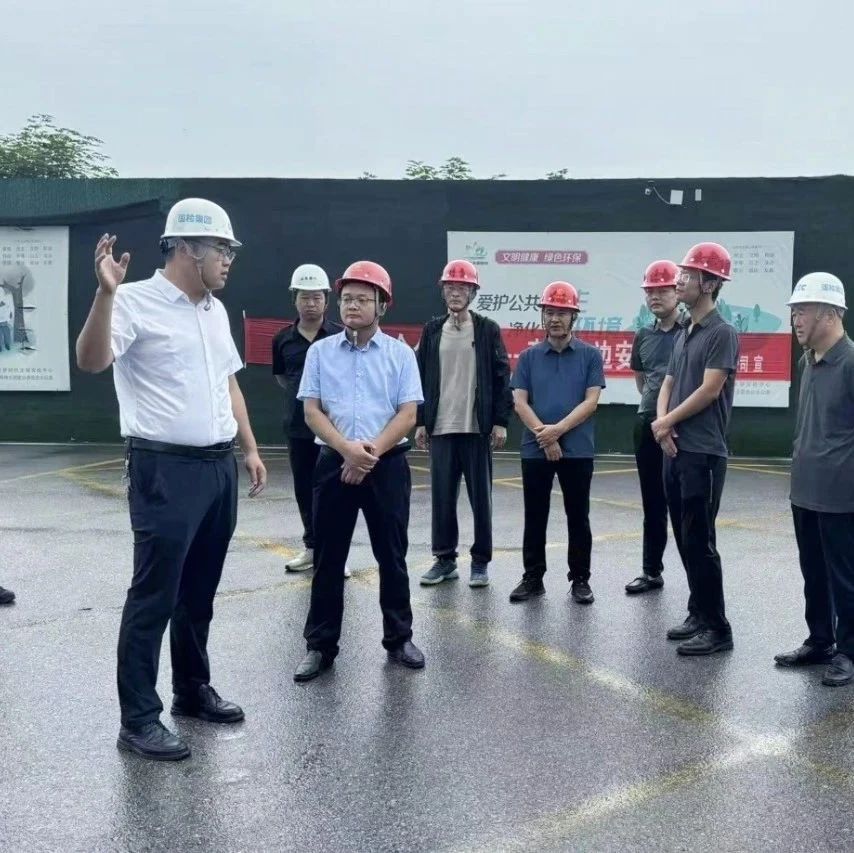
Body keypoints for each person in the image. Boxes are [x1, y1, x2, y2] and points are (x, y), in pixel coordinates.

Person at [75, 198, 267, 761]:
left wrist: (250, 448)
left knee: (199, 590)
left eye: (230, 250)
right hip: (165, 470)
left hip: (217, 467)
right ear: (186, 248)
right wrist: (105, 294)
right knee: (154, 595)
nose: (229, 259)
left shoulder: (214, 310)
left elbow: (229, 383)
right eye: (222, 249)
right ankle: (138, 719)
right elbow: (90, 361)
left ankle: (191, 689)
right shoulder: (132, 301)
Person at [293, 261, 425, 682]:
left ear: (382, 306)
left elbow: (408, 415)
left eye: (363, 299)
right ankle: (320, 645)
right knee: (328, 558)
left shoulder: (400, 354)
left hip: (386, 465)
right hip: (334, 462)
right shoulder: (320, 353)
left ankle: (399, 638)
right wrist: (346, 450)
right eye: (347, 298)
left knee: (392, 555)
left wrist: (368, 454)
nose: (352, 305)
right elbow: (312, 411)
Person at [652, 242, 738, 656]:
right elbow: (668, 382)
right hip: (674, 449)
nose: (679, 280)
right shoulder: (685, 331)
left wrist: (667, 422)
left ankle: (718, 628)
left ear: (709, 283)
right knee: (685, 537)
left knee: (700, 540)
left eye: (688, 275)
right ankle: (697, 612)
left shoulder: (723, 333)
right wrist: (662, 424)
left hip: (703, 452)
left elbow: (710, 389)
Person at [775, 272, 854, 686]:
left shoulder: (851, 363)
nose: (796, 320)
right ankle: (820, 640)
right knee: (814, 573)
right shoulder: (808, 362)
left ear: (831, 313)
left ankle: (849, 652)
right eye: (794, 312)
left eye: (802, 311)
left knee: (845, 578)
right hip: (805, 490)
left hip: (841, 495)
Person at [415, 259, 512, 589]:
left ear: (473, 293)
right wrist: (421, 421)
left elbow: (501, 376)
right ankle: (445, 559)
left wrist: (499, 421)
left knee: (480, 500)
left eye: (462, 288)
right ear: (443, 291)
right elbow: (421, 377)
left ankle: (480, 562)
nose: (455, 293)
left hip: (476, 428)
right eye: (450, 287)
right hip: (441, 428)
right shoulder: (432, 331)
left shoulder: (487, 329)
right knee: (442, 498)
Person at [509, 281, 605, 604]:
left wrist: (557, 431)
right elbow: (520, 402)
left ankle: (580, 579)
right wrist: (545, 436)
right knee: (535, 515)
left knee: (578, 516)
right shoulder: (528, 357)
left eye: (562, 313)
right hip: (535, 449)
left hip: (578, 449)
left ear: (574, 317)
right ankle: (533, 578)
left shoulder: (590, 356)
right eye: (549, 312)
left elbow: (591, 401)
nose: (555, 319)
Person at [272, 264, 350, 577]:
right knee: (305, 489)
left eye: (316, 297)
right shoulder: (282, 339)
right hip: (297, 428)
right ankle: (312, 547)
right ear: (294, 299)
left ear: (326, 301)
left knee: (334, 491)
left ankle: (336, 554)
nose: (311, 303)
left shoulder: (339, 336)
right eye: (304, 297)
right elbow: (282, 378)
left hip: (333, 429)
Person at [626, 260, 687, 594]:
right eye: (650, 291)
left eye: (662, 290)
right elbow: (642, 380)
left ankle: (698, 580)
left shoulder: (691, 332)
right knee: (653, 503)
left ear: (677, 292)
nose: (655, 297)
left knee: (686, 505)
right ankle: (651, 572)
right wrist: (655, 412)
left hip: (683, 430)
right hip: (647, 425)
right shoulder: (643, 335)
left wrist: (670, 417)